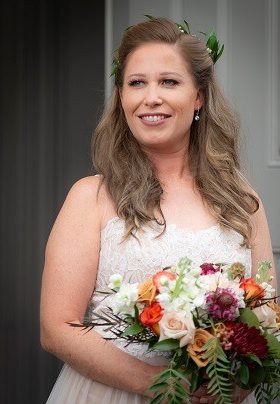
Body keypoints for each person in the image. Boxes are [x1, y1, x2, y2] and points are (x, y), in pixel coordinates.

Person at [40, 17, 277, 404]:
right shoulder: (91, 197)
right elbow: (56, 328)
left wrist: (242, 383)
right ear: (121, 98)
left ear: (199, 96)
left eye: (169, 81)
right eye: (136, 83)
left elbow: (267, 317)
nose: (151, 97)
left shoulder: (242, 201)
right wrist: (157, 382)